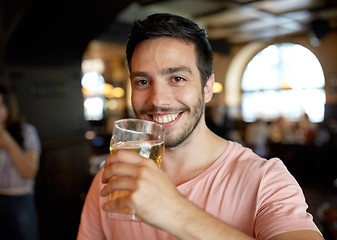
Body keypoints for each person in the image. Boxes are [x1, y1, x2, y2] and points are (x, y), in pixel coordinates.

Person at [77, 13, 323, 240]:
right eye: (142, 81)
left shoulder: (265, 180)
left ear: (207, 88)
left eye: (177, 78)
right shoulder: (113, 178)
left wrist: (174, 212)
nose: (157, 100)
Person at [0, 85, 41, 240]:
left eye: (1, 104)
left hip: (20, 200)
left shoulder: (26, 132)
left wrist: (10, 144)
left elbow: (29, 172)